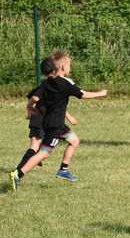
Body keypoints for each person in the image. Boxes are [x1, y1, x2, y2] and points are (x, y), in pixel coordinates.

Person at [8, 51, 107, 191]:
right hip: (56, 125)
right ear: (62, 66)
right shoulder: (66, 83)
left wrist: (29, 107)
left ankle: (63, 170)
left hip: (51, 122)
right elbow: (83, 94)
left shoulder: (47, 82)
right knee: (44, 153)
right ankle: (18, 174)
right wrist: (100, 94)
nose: (70, 68)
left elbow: (35, 98)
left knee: (74, 140)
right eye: (69, 65)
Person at [15, 57, 78, 171]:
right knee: (37, 147)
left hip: (39, 118)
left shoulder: (44, 85)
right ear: (56, 69)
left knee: (38, 148)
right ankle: (18, 172)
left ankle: (23, 169)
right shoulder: (50, 86)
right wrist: (29, 109)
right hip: (42, 118)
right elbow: (36, 100)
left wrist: (29, 110)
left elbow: (51, 104)